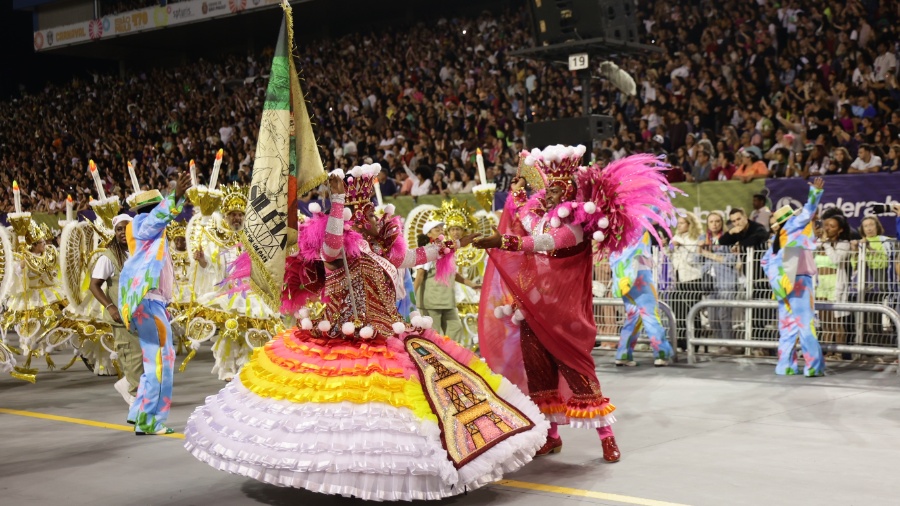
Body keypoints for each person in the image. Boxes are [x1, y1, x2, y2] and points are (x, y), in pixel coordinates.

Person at [184, 164, 548, 500]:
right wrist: (338, 202)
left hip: (390, 337)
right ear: (355, 223)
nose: (375, 218)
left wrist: (452, 244)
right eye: (367, 215)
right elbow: (329, 245)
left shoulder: (384, 253)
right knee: (346, 414)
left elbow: (418, 257)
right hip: (344, 339)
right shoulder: (338, 251)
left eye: (375, 212)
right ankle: (341, 475)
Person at [476, 146, 679, 463]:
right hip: (535, 310)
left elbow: (543, 242)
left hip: (565, 313)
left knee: (578, 374)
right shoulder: (544, 218)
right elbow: (529, 223)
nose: (552, 191)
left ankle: (607, 438)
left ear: (570, 190)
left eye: (558, 187)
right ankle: (552, 437)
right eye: (549, 186)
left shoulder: (576, 226)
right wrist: (514, 200)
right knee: (540, 376)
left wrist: (503, 242)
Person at [184, 183, 283, 381]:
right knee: (230, 330)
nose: (236, 218)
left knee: (252, 331)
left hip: (252, 295)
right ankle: (227, 368)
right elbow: (212, 267)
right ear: (226, 217)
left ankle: (248, 367)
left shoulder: (254, 240)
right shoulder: (219, 241)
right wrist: (201, 258)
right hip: (229, 295)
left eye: (240, 214)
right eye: (232, 215)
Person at [119, 170, 191, 435]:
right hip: (150, 304)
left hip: (151, 305)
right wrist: (175, 198)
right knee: (162, 362)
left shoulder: (153, 238)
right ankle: (151, 421)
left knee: (154, 361)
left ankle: (139, 411)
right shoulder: (141, 225)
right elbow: (154, 221)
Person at [761, 177, 826, 376]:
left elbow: (765, 263)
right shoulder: (795, 228)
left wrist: (778, 281)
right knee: (806, 325)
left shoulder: (776, 241)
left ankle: (786, 365)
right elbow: (808, 211)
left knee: (788, 326)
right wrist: (815, 193)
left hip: (783, 286)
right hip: (800, 282)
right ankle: (813, 367)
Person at [610, 231, 674, 366]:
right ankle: (661, 353)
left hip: (622, 278)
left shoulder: (615, 227)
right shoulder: (640, 223)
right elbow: (655, 212)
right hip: (640, 274)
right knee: (650, 315)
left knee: (633, 315)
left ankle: (623, 354)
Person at [699, 211, 740, 354]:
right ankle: (719, 343)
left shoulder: (729, 238)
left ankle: (728, 344)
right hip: (710, 283)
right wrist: (699, 250)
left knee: (724, 313)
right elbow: (694, 260)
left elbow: (732, 260)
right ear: (707, 224)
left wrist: (709, 254)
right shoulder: (703, 238)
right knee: (712, 316)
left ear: (721, 223)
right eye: (711, 221)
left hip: (727, 281)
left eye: (717, 221)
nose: (714, 224)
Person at [814, 214, 851, 360]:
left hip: (835, 284)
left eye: (832, 226)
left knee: (837, 321)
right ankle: (828, 351)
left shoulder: (844, 244)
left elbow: (835, 260)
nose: (827, 228)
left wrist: (826, 244)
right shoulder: (819, 243)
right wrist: (817, 240)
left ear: (840, 230)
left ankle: (839, 353)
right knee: (825, 321)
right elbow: (809, 255)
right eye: (826, 225)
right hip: (820, 283)